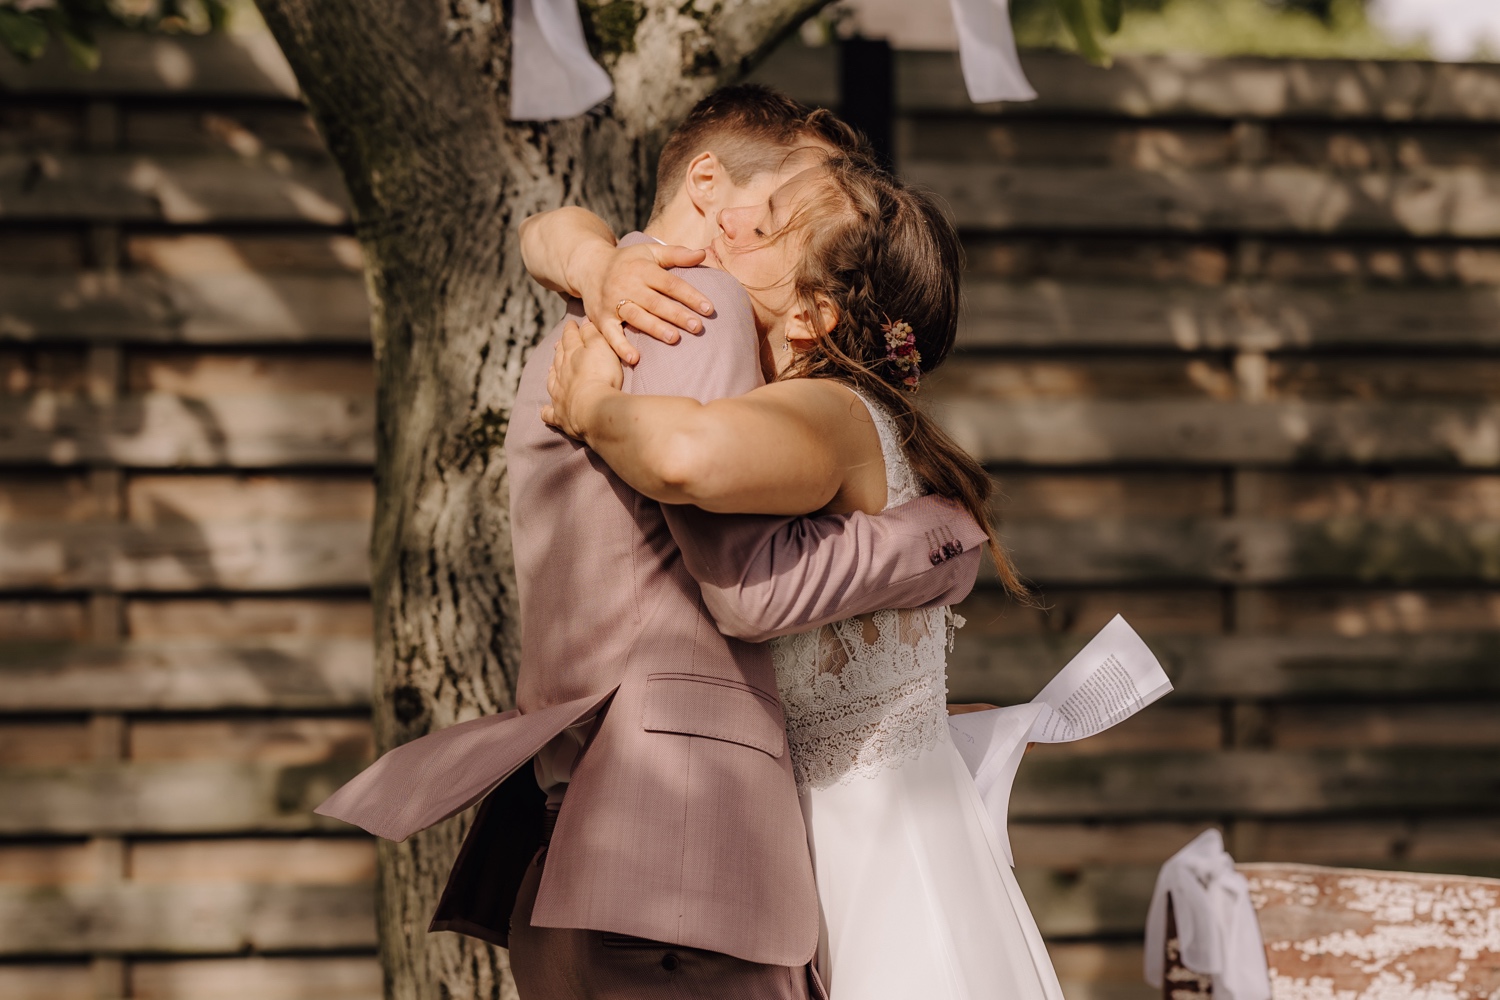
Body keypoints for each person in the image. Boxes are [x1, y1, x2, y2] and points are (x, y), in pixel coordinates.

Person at [315, 85, 990, 1000]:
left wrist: (581, 251)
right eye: (796, 197)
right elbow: (747, 583)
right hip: (681, 858)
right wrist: (938, 542)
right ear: (713, 188)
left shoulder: (591, 309)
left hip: (583, 846)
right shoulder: (698, 305)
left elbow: (547, 235)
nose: (768, 223)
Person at [535, 155, 1064, 1000]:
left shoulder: (827, 408)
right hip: (873, 824)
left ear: (815, 314)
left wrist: (592, 409)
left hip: (870, 846)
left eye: (770, 222)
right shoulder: (869, 418)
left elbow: (680, 454)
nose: (734, 223)